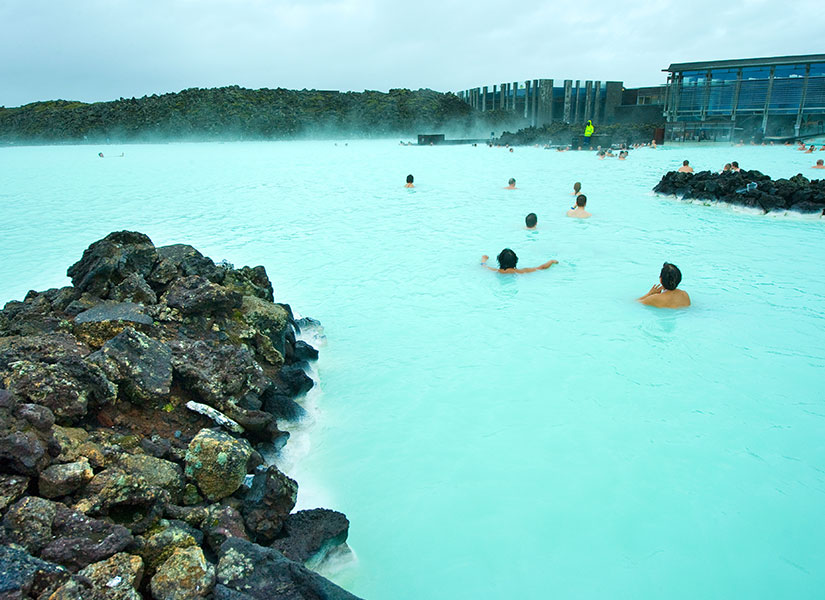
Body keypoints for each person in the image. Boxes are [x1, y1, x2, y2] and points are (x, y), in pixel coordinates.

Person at [481, 249, 557, 273]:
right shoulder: (521, 272)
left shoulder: (495, 271)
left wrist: (484, 259)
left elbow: (483, 265)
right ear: (515, 261)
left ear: (499, 260)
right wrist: (551, 261)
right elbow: (542, 267)